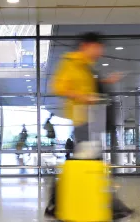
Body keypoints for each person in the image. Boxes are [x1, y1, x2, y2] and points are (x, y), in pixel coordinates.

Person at [45, 32, 134, 220]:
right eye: (98, 46)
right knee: (89, 162)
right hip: (82, 120)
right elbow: (58, 87)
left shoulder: (87, 66)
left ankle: (57, 204)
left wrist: (104, 82)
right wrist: (83, 97)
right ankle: (112, 207)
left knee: (87, 163)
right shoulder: (71, 62)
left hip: (92, 120)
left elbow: (87, 88)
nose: (100, 51)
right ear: (86, 45)